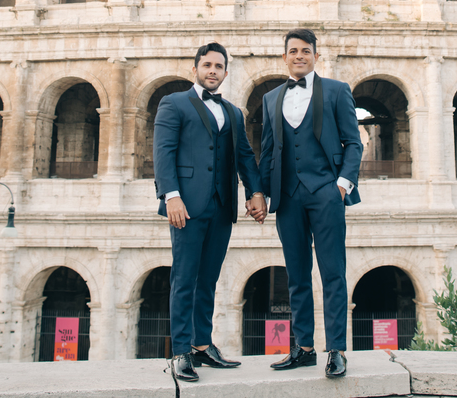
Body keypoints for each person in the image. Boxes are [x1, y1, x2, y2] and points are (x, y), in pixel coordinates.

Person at [154, 42, 266, 382]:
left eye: (219, 66)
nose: (213, 71)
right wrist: (171, 196)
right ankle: (181, 352)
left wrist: (255, 191)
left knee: (208, 280)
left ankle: (202, 345)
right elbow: (163, 151)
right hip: (186, 206)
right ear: (196, 69)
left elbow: (245, 156)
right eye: (207, 65)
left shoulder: (233, 112)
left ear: (226, 73)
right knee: (184, 278)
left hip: (221, 208)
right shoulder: (173, 103)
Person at [257, 28, 363, 378]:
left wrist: (342, 186)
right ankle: (303, 348)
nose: (299, 55)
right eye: (293, 50)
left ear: (315, 55)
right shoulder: (272, 98)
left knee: (333, 273)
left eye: (306, 50)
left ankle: (336, 350)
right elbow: (268, 152)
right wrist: (260, 192)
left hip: (326, 194)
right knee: (297, 276)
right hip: (287, 198)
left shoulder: (336, 91)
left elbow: (353, 142)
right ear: (284, 57)